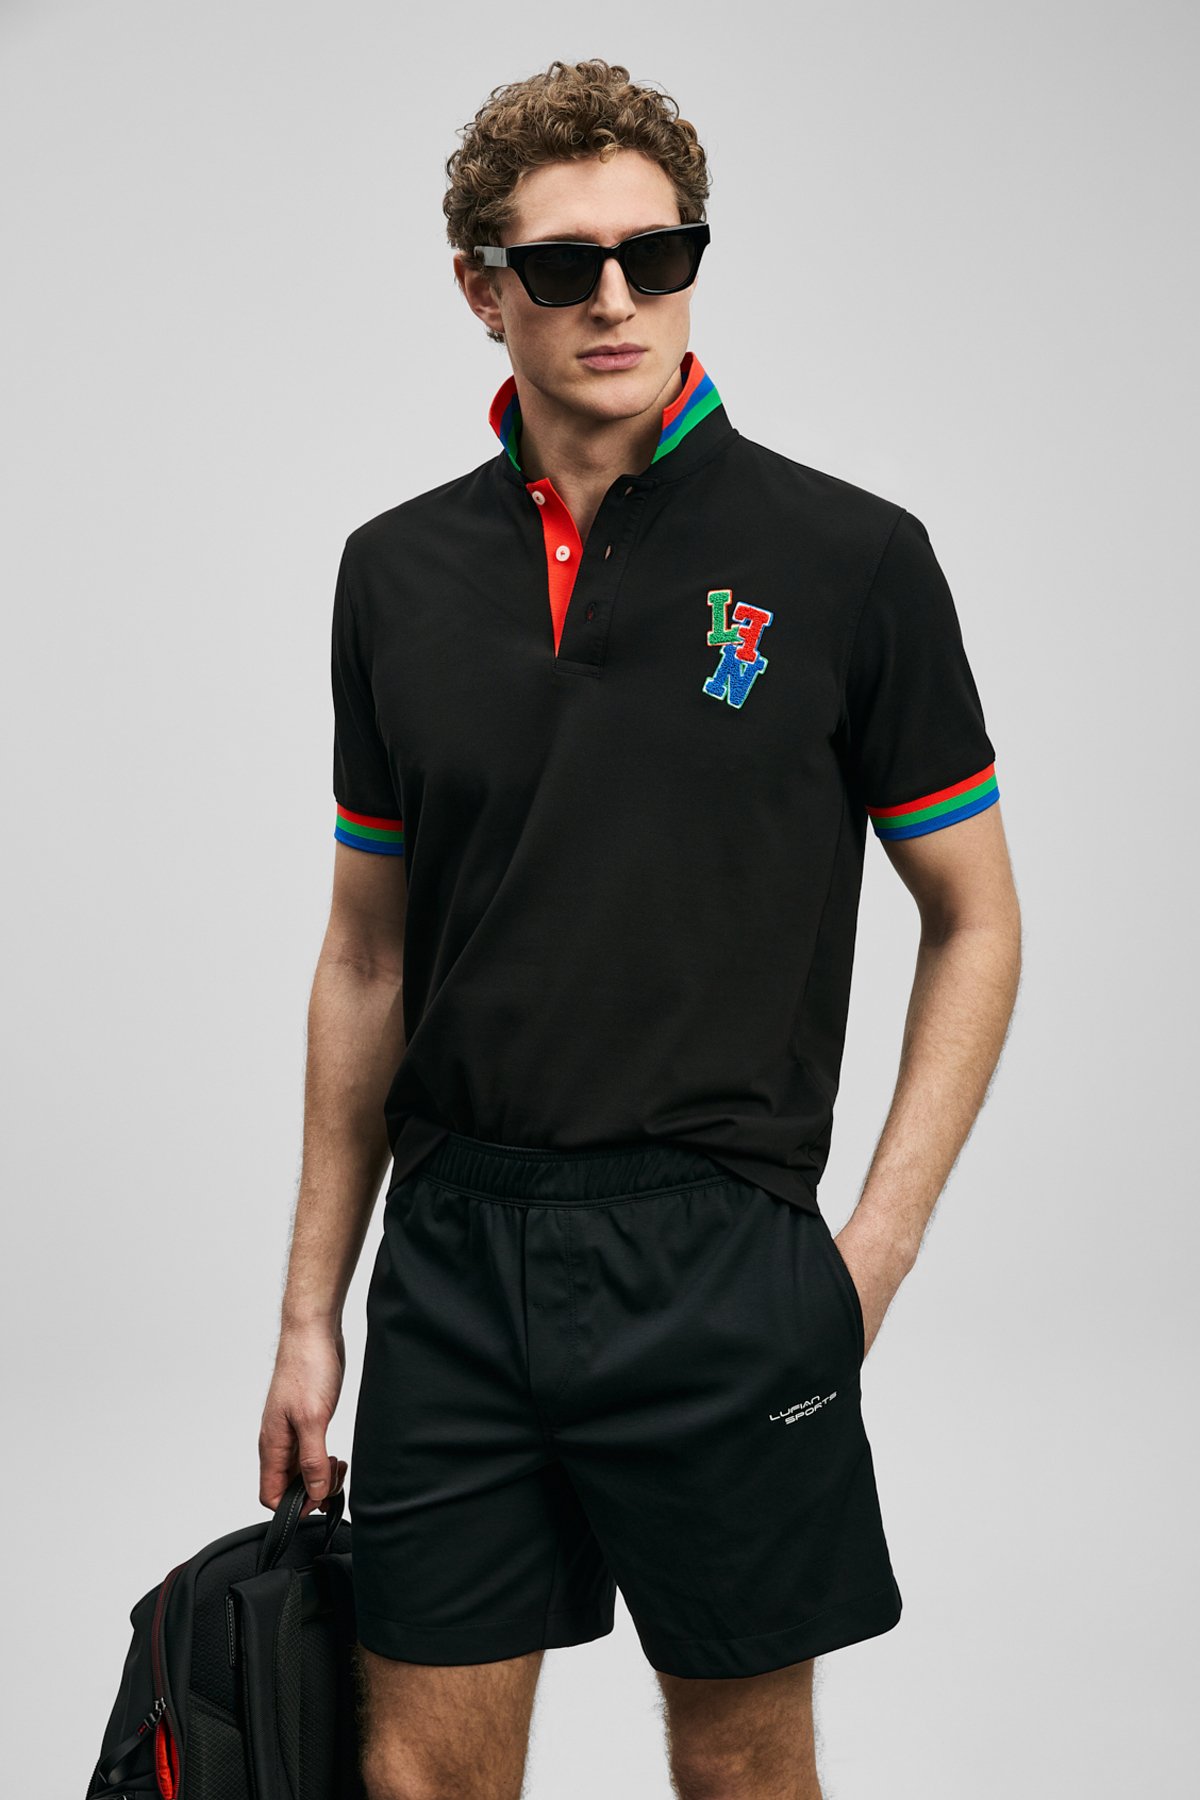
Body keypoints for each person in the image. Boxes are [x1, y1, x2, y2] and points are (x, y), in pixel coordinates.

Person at [257, 56, 1021, 1800]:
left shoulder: (850, 559)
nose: (617, 297)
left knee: (743, 1775)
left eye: (657, 254)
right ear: (481, 289)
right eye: (563, 263)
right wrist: (313, 1312)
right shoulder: (393, 575)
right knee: (418, 1779)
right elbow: (366, 957)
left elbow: (976, 917)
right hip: (455, 1258)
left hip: (719, 1258)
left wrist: (869, 1255)